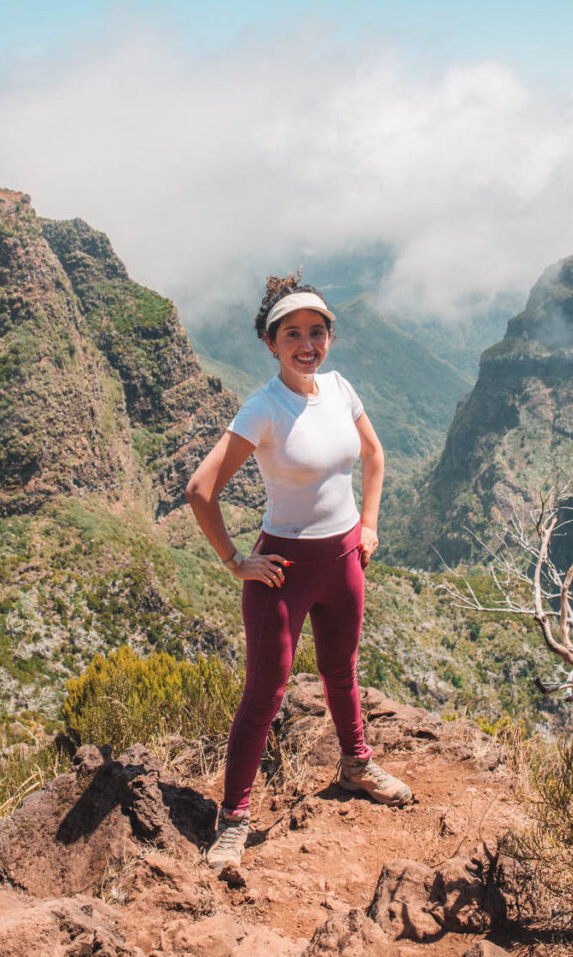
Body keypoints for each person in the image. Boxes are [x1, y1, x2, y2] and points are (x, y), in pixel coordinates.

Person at [185, 272, 412, 870]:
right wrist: (235, 562)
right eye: (293, 334)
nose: (307, 344)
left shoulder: (339, 388)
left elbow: (374, 454)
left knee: (341, 669)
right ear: (271, 342)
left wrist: (368, 524)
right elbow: (200, 489)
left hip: (343, 560)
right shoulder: (263, 408)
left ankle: (356, 765)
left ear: (329, 337)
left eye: (317, 332)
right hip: (282, 570)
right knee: (264, 694)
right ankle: (233, 820)